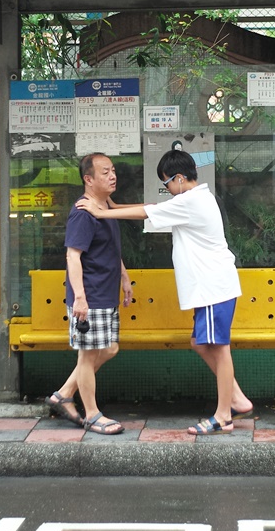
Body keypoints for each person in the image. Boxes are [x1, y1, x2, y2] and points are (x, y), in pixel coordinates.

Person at [76, 148, 253, 434]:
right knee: (200, 343)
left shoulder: (190, 202)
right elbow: (152, 207)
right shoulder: (193, 199)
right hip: (211, 288)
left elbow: (149, 211)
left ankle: (224, 415)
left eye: (167, 183)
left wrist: (102, 212)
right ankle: (237, 397)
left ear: (180, 178)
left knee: (220, 349)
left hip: (212, 288)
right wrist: (112, 207)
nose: (168, 189)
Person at [47, 153, 132, 435]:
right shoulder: (83, 213)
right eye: (105, 172)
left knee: (109, 349)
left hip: (104, 293)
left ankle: (63, 395)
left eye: (113, 170)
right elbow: (73, 256)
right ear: (88, 179)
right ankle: (93, 414)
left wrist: (123, 275)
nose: (112, 175)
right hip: (90, 295)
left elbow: (108, 247)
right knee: (87, 355)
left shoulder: (104, 205)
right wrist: (80, 297)